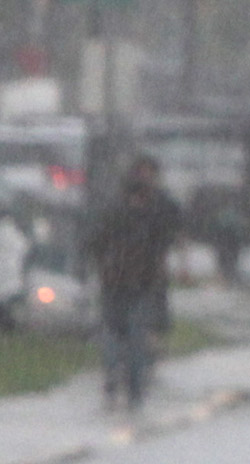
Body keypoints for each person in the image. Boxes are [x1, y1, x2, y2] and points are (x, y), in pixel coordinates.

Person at [86, 154, 181, 410]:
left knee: (117, 334)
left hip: (123, 282)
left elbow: (95, 243)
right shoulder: (151, 214)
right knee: (131, 337)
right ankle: (131, 389)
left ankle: (117, 381)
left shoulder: (115, 212)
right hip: (133, 284)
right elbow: (161, 247)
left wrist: (104, 266)